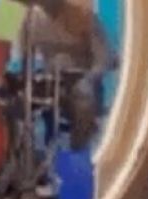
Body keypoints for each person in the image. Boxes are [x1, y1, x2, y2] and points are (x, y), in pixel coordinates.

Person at [13, 0, 114, 150]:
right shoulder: (32, 19)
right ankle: (24, 151)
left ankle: (78, 150)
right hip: (51, 80)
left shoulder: (84, 18)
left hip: (82, 80)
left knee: (83, 96)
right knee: (17, 98)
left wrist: (88, 79)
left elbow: (104, 59)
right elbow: (25, 58)